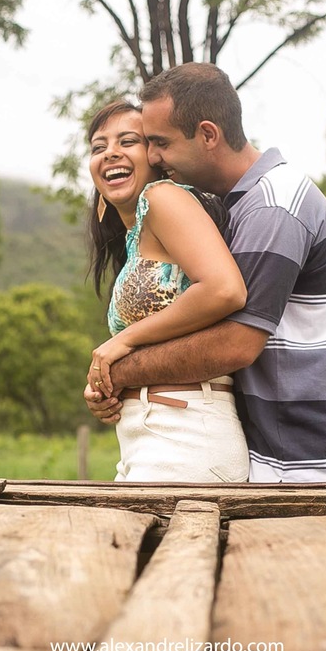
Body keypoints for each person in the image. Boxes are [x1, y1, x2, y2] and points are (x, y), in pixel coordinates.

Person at [85, 63, 326, 482]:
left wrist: (114, 369)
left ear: (207, 134)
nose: (153, 157)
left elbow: (236, 343)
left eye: (158, 143)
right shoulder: (233, 208)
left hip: (308, 462)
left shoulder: (274, 205)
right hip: (267, 453)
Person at [84, 99, 251, 482]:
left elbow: (225, 290)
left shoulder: (162, 197)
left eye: (128, 141)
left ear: (154, 156)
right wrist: (108, 385)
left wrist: (119, 343)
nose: (110, 153)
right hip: (148, 436)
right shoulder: (135, 235)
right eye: (98, 147)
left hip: (185, 435)